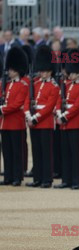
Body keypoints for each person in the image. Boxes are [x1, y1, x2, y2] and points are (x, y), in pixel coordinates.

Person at [24, 45, 59, 188]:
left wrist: (35, 117)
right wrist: (27, 114)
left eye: (45, 71)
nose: (42, 73)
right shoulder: (35, 83)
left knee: (46, 152)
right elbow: (27, 100)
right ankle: (37, 178)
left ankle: (47, 179)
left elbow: (49, 106)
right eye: (41, 70)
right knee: (36, 151)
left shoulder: (54, 86)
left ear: (50, 71)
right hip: (33, 122)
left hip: (45, 122)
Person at [54, 49, 79, 190]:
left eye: (74, 72)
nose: (71, 75)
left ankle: (76, 180)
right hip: (63, 124)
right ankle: (66, 179)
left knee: (75, 153)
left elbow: (78, 105)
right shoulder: (65, 86)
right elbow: (58, 100)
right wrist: (58, 112)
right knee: (65, 153)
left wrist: (65, 115)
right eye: (70, 72)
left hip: (74, 123)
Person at [0, 47, 28, 186]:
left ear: (17, 70)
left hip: (16, 123)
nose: (9, 71)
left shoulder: (22, 85)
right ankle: (8, 176)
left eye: (11, 69)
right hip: (4, 123)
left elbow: (17, 104)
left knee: (17, 152)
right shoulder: (6, 84)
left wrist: (2, 109)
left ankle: (17, 177)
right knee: (7, 151)